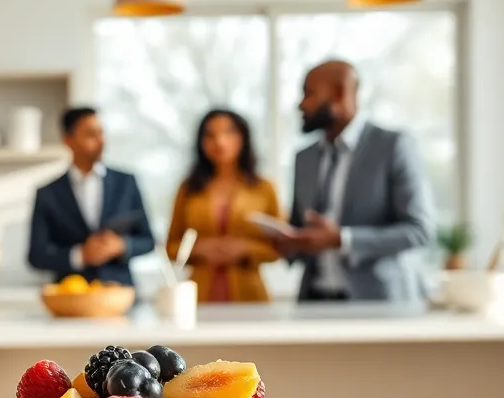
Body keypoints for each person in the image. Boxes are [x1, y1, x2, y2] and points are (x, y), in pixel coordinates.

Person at [278, 60, 434, 302]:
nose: (301, 104)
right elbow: (299, 231)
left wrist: (343, 239)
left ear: (340, 93)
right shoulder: (304, 159)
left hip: (379, 304)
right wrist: (287, 242)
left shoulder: (393, 146)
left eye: (308, 93)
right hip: (314, 303)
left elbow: (419, 231)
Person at [27, 107, 156, 287]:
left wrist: (121, 245)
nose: (101, 140)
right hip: (72, 297)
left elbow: (149, 240)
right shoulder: (48, 193)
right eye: (90, 134)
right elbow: (36, 255)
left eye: (101, 133)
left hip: (120, 295)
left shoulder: (126, 183)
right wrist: (80, 255)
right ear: (68, 140)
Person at [165, 109, 284, 302]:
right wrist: (198, 249)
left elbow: (279, 247)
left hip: (250, 294)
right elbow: (170, 247)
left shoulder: (263, 188)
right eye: (210, 135)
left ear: (243, 138)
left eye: (229, 132)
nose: (220, 141)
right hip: (198, 294)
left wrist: (245, 248)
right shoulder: (189, 189)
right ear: (201, 142)